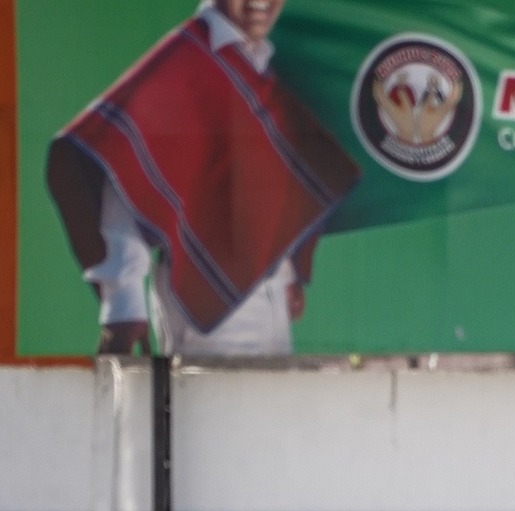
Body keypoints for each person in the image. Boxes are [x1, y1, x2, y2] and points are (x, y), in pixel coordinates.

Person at [46, 0, 359, 359]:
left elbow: (272, 180)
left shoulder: (260, 64)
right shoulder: (186, 58)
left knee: (272, 411)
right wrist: (123, 304)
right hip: (207, 304)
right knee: (220, 412)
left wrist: (289, 271)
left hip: (268, 299)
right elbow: (125, 170)